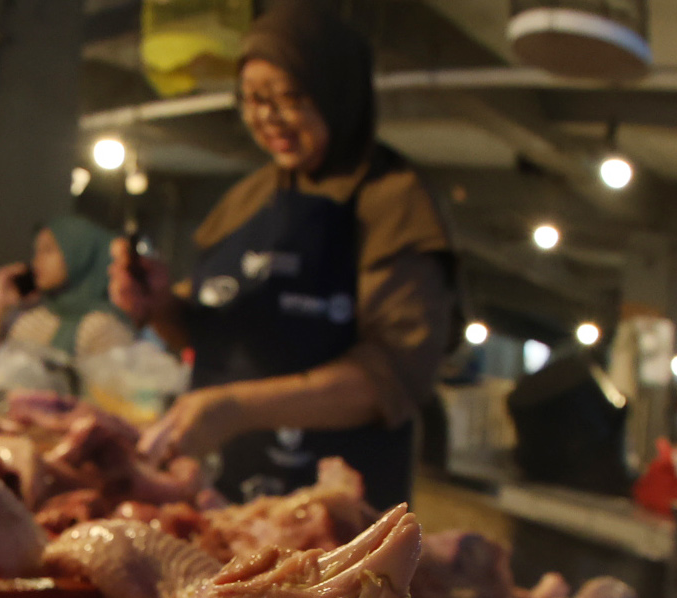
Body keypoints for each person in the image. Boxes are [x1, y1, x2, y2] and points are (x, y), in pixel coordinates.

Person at [108, 0, 456, 507]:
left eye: (290, 97)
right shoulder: (248, 197)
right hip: (224, 499)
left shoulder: (393, 200)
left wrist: (237, 409)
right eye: (251, 99)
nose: (267, 118)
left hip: (331, 515)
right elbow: (203, 331)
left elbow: (395, 376)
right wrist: (159, 303)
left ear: (337, 92)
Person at [0, 214, 133, 361]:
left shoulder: (101, 327)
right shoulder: (29, 318)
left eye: (48, 250)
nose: (36, 261)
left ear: (80, 256)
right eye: (36, 252)